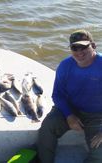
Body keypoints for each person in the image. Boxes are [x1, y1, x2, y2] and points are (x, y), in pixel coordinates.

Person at [37, 29, 102, 163]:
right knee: (47, 127)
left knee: (100, 154)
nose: (79, 52)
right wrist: (69, 115)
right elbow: (57, 94)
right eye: (74, 47)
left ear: (93, 46)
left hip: (98, 116)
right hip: (70, 109)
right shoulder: (65, 65)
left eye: (84, 46)